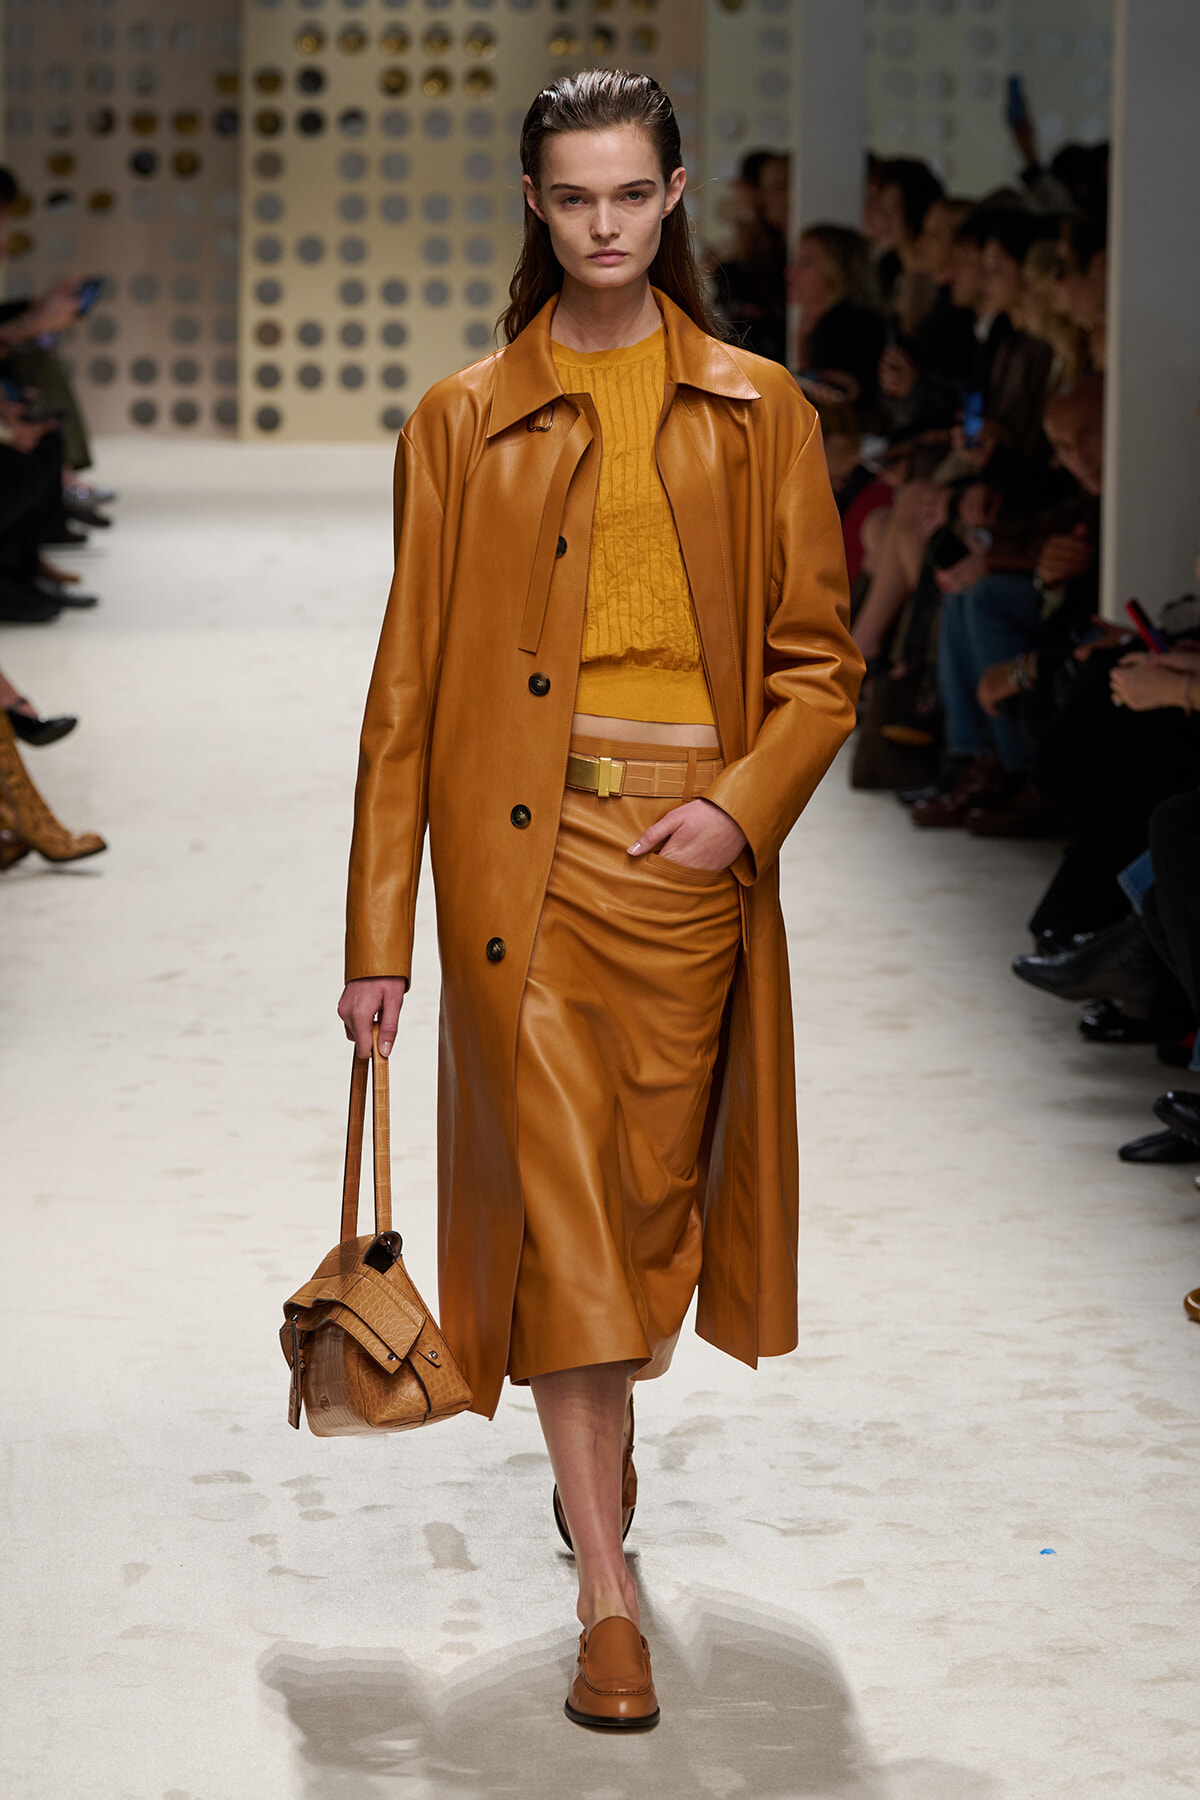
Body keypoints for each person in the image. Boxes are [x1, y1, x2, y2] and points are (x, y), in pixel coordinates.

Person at [336, 70, 862, 1731]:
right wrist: (377, 942)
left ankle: (596, 1477)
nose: (607, 223)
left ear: (677, 193)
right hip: (527, 871)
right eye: (575, 197)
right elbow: (406, 689)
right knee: (563, 1214)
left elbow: (820, 666)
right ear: (537, 207)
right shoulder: (462, 416)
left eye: (631, 193)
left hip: (686, 870)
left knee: (639, 1228)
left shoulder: (761, 410)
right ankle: (605, 1596)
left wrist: (741, 812)